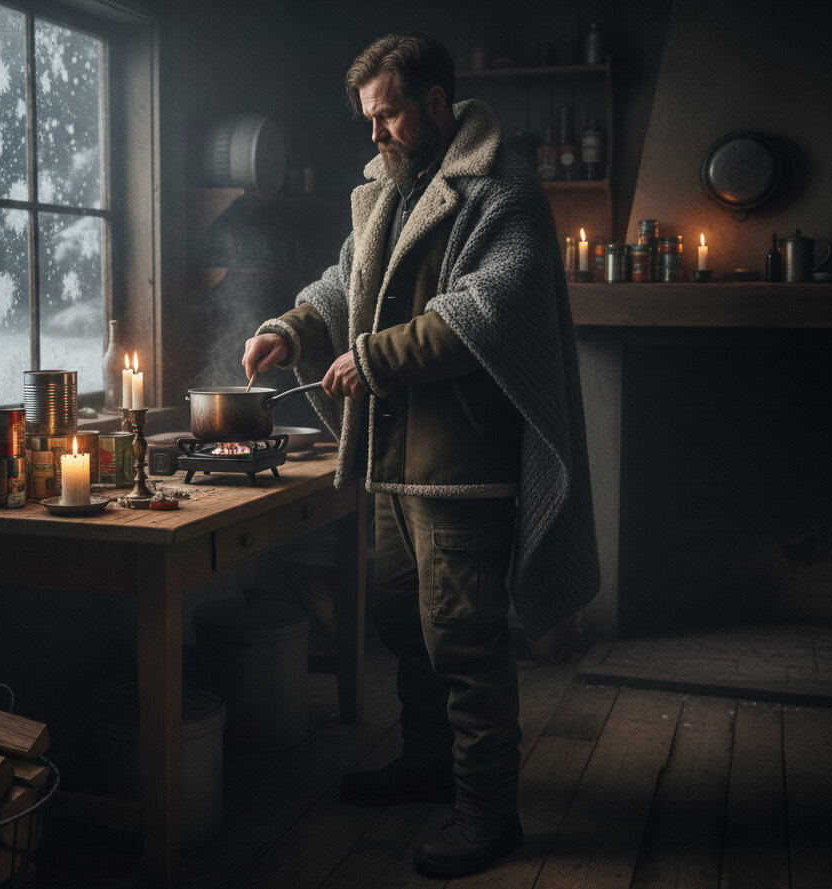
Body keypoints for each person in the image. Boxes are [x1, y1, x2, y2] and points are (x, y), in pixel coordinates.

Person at [242, 32, 599, 878]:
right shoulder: (386, 192)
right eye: (369, 118)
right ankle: (426, 765)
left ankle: (487, 812)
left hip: (461, 464)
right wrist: (290, 327)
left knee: (468, 645)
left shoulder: (501, 190)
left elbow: (487, 307)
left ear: (436, 104)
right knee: (406, 624)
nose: (374, 135)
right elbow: (345, 282)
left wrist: (371, 357)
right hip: (394, 461)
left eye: (388, 114)